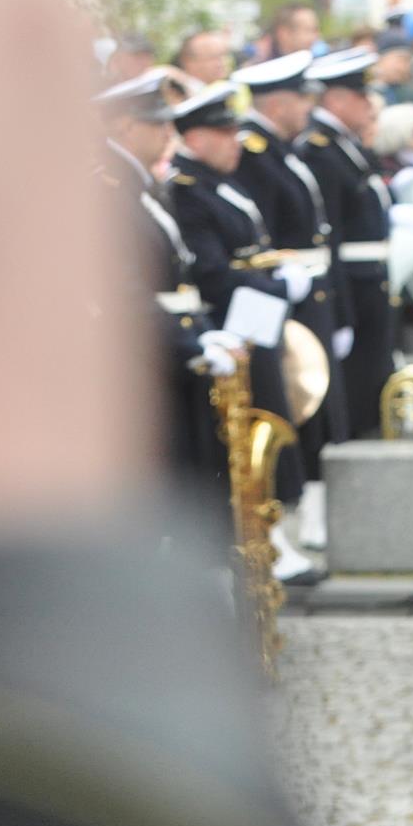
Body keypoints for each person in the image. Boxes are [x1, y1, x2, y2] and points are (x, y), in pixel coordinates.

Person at [166, 83, 318, 585]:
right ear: (195, 138)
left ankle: (271, 530)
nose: (236, 142)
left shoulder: (218, 182)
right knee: (248, 430)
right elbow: (213, 271)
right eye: (224, 133)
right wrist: (276, 286)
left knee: (271, 420)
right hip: (229, 323)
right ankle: (262, 535)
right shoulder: (187, 189)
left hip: (254, 320)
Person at [93, 70, 238, 545]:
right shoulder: (110, 190)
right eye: (157, 124)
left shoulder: (135, 184)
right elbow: (126, 295)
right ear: (125, 127)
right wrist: (189, 343)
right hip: (148, 357)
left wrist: (201, 331)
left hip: (171, 346)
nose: (168, 134)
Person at [230, 52, 350, 495]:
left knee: (318, 405)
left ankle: (314, 502)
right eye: (301, 99)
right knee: (296, 403)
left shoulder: (281, 150)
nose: (308, 108)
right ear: (278, 104)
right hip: (285, 297)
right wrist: (283, 279)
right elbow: (262, 234)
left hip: (309, 292)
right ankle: (294, 502)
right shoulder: (254, 154)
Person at [296, 49, 398, 439]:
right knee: (358, 390)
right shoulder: (320, 149)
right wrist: (341, 310)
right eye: (361, 96)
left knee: (374, 379)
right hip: (353, 284)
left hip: (370, 278)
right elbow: (332, 234)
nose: (369, 104)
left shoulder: (343, 145)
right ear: (336, 99)